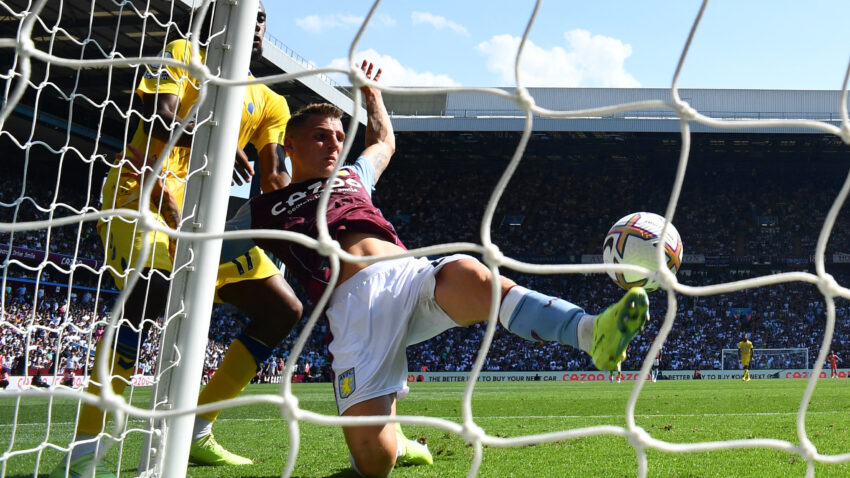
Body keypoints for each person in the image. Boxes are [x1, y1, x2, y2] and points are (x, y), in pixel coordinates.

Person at [219, 61, 651, 477]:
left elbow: (383, 142)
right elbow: (215, 242)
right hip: (355, 310)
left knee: (475, 274)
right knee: (375, 464)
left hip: (412, 278)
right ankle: (392, 436)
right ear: (289, 147)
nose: (334, 144)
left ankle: (591, 333)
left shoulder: (352, 176)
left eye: (337, 135)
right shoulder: (266, 209)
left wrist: (372, 96)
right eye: (320, 137)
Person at [51, 3, 303, 477]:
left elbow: (273, 177)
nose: (256, 24)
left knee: (282, 309)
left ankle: (195, 431)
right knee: (150, 300)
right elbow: (161, 117)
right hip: (140, 188)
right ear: (218, 19)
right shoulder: (184, 54)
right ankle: (85, 450)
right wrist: (217, 136)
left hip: (203, 213)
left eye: (264, 17)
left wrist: (307, 194)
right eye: (249, 13)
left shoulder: (272, 102)